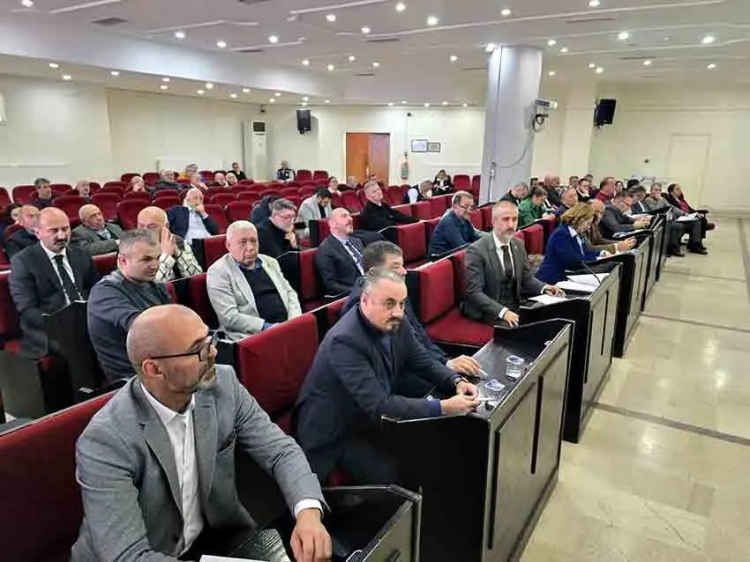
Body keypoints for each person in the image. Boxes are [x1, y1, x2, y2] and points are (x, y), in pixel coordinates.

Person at [72, 304, 330, 562]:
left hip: (211, 540)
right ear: (154, 369)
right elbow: (128, 556)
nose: (213, 351)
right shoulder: (106, 439)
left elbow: (281, 451)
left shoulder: (223, 384)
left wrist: (307, 512)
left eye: (210, 339)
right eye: (198, 349)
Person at [294, 267, 480, 484]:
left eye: (402, 303)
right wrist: (444, 407)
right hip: (335, 430)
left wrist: (455, 381)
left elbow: (422, 361)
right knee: (396, 476)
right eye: (389, 303)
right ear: (364, 300)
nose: (398, 312)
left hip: (368, 415)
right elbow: (380, 406)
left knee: (433, 448)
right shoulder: (344, 341)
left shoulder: (397, 320)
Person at [341, 241, 482, 380]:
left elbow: (418, 332)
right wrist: (445, 365)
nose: (404, 271)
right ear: (374, 271)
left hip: (415, 363)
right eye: (396, 267)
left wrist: (445, 360)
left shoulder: (395, 289)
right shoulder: (363, 305)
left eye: (402, 265)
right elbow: (401, 352)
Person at [8, 208, 98, 359]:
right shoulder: (23, 261)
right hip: (49, 327)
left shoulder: (81, 255)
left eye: (65, 229)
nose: (62, 236)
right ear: (38, 233)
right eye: (54, 231)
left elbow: (96, 290)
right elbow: (27, 309)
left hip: (87, 319)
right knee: (79, 345)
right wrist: (66, 324)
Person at [88, 229, 172, 382]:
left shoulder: (155, 285)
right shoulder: (104, 292)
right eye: (146, 259)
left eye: (157, 258)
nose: (155, 265)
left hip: (163, 362)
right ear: (122, 261)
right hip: (135, 377)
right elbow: (142, 327)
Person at [461, 201, 563, 327]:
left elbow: (526, 278)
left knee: (554, 315)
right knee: (528, 331)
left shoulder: (518, 244)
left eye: (514, 219)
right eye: (506, 219)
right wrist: (503, 312)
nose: (511, 225)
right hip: (489, 311)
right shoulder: (476, 251)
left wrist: (544, 287)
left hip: (515, 305)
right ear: (493, 221)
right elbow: (474, 292)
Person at [207, 221, 301, 340]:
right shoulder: (218, 272)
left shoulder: (270, 262)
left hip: (287, 326)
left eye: (253, 241)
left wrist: (294, 321)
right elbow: (229, 317)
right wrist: (269, 327)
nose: (251, 247)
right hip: (253, 335)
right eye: (243, 242)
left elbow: (290, 293)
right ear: (229, 245)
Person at [536, 204, 610, 284]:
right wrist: (597, 259)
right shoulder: (561, 234)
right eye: (588, 223)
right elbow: (572, 260)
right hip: (553, 279)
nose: (588, 227)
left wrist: (602, 253)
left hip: (568, 275)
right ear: (579, 219)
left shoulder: (577, 233)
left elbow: (585, 252)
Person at [138, 206, 203, 282]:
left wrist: (178, 254)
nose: (145, 231)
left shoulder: (178, 241)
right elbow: (150, 285)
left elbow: (197, 277)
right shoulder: (133, 248)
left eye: (152, 227)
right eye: (141, 226)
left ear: (166, 226)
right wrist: (166, 255)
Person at [314, 208, 365, 296]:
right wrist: (359, 291)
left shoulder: (357, 241)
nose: (350, 219)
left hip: (370, 285)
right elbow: (331, 285)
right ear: (332, 224)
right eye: (344, 216)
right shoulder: (325, 250)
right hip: (353, 294)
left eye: (350, 216)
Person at [428, 191, 482, 256]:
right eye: (466, 206)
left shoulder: (465, 219)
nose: (469, 211)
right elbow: (461, 246)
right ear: (455, 206)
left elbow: (475, 237)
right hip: (441, 258)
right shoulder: (448, 221)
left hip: (454, 255)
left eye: (471, 207)